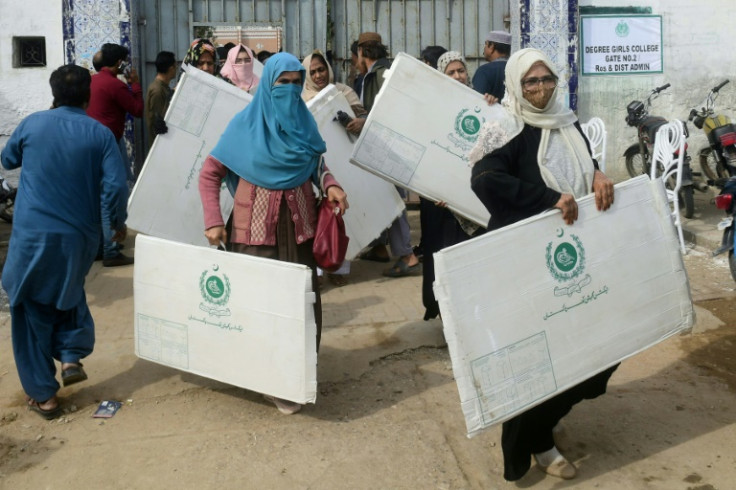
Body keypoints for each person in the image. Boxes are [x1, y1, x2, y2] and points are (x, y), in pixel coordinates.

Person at [469, 48, 616, 481]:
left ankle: (544, 424)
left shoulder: (567, 122)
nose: (539, 89)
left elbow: (584, 165)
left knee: (596, 352)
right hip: (527, 259)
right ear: (515, 85)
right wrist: (548, 200)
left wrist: (598, 174)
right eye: (530, 82)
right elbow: (484, 180)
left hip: (575, 255)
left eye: (546, 79)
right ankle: (535, 443)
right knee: (539, 358)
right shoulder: (507, 127)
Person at [199, 52, 348, 415]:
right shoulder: (245, 125)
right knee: (260, 308)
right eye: (284, 83)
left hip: (299, 235)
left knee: (301, 306)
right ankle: (267, 379)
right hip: (253, 235)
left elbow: (317, 163)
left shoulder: (303, 122)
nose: (291, 89)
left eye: (297, 83)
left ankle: (297, 375)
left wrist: (330, 184)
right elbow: (209, 173)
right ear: (269, 85)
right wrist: (212, 219)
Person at [1, 64, 129, 420]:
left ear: (53, 93)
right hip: (80, 237)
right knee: (69, 292)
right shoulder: (100, 134)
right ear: (88, 96)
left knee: (28, 306)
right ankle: (71, 356)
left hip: (31, 235)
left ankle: (44, 395)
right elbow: (116, 187)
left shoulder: (32, 123)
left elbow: (7, 158)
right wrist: (116, 225)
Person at [419, 51, 485, 320]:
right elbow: (428, 150)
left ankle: (473, 317)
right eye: (451, 72)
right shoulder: (432, 107)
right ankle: (449, 318)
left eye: (461, 71)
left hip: (471, 197)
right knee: (444, 258)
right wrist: (439, 188)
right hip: (440, 203)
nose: (458, 76)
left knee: (472, 260)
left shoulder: (480, 104)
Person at [356, 32, 421, 277]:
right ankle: (381, 249)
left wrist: (364, 123)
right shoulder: (379, 73)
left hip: (390, 149)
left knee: (392, 202)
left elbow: (389, 112)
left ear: (362, 52)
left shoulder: (381, 75)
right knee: (385, 199)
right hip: (387, 147)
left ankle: (407, 255)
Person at [301, 50, 367, 287]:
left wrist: (360, 121)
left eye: (322, 69)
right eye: (313, 71)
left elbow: (364, 118)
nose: (319, 75)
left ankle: (339, 267)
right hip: (317, 168)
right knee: (317, 219)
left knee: (342, 217)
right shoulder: (301, 99)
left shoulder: (344, 92)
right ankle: (317, 271)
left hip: (345, 165)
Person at [86, 42, 139, 267]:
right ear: (119, 63)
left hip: (88, 144)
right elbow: (137, 110)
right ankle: (111, 250)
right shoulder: (115, 85)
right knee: (111, 196)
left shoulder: (89, 81)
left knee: (97, 198)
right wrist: (134, 84)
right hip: (109, 144)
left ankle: (99, 247)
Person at [145, 51, 176, 150]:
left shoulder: (162, 87)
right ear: (171, 69)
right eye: (175, 67)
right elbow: (158, 120)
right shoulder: (157, 90)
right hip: (159, 146)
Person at [472, 30, 511, 102]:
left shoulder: (484, 71)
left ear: (491, 47)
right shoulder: (517, 69)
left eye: (486, 44)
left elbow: (477, 101)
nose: (484, 48)